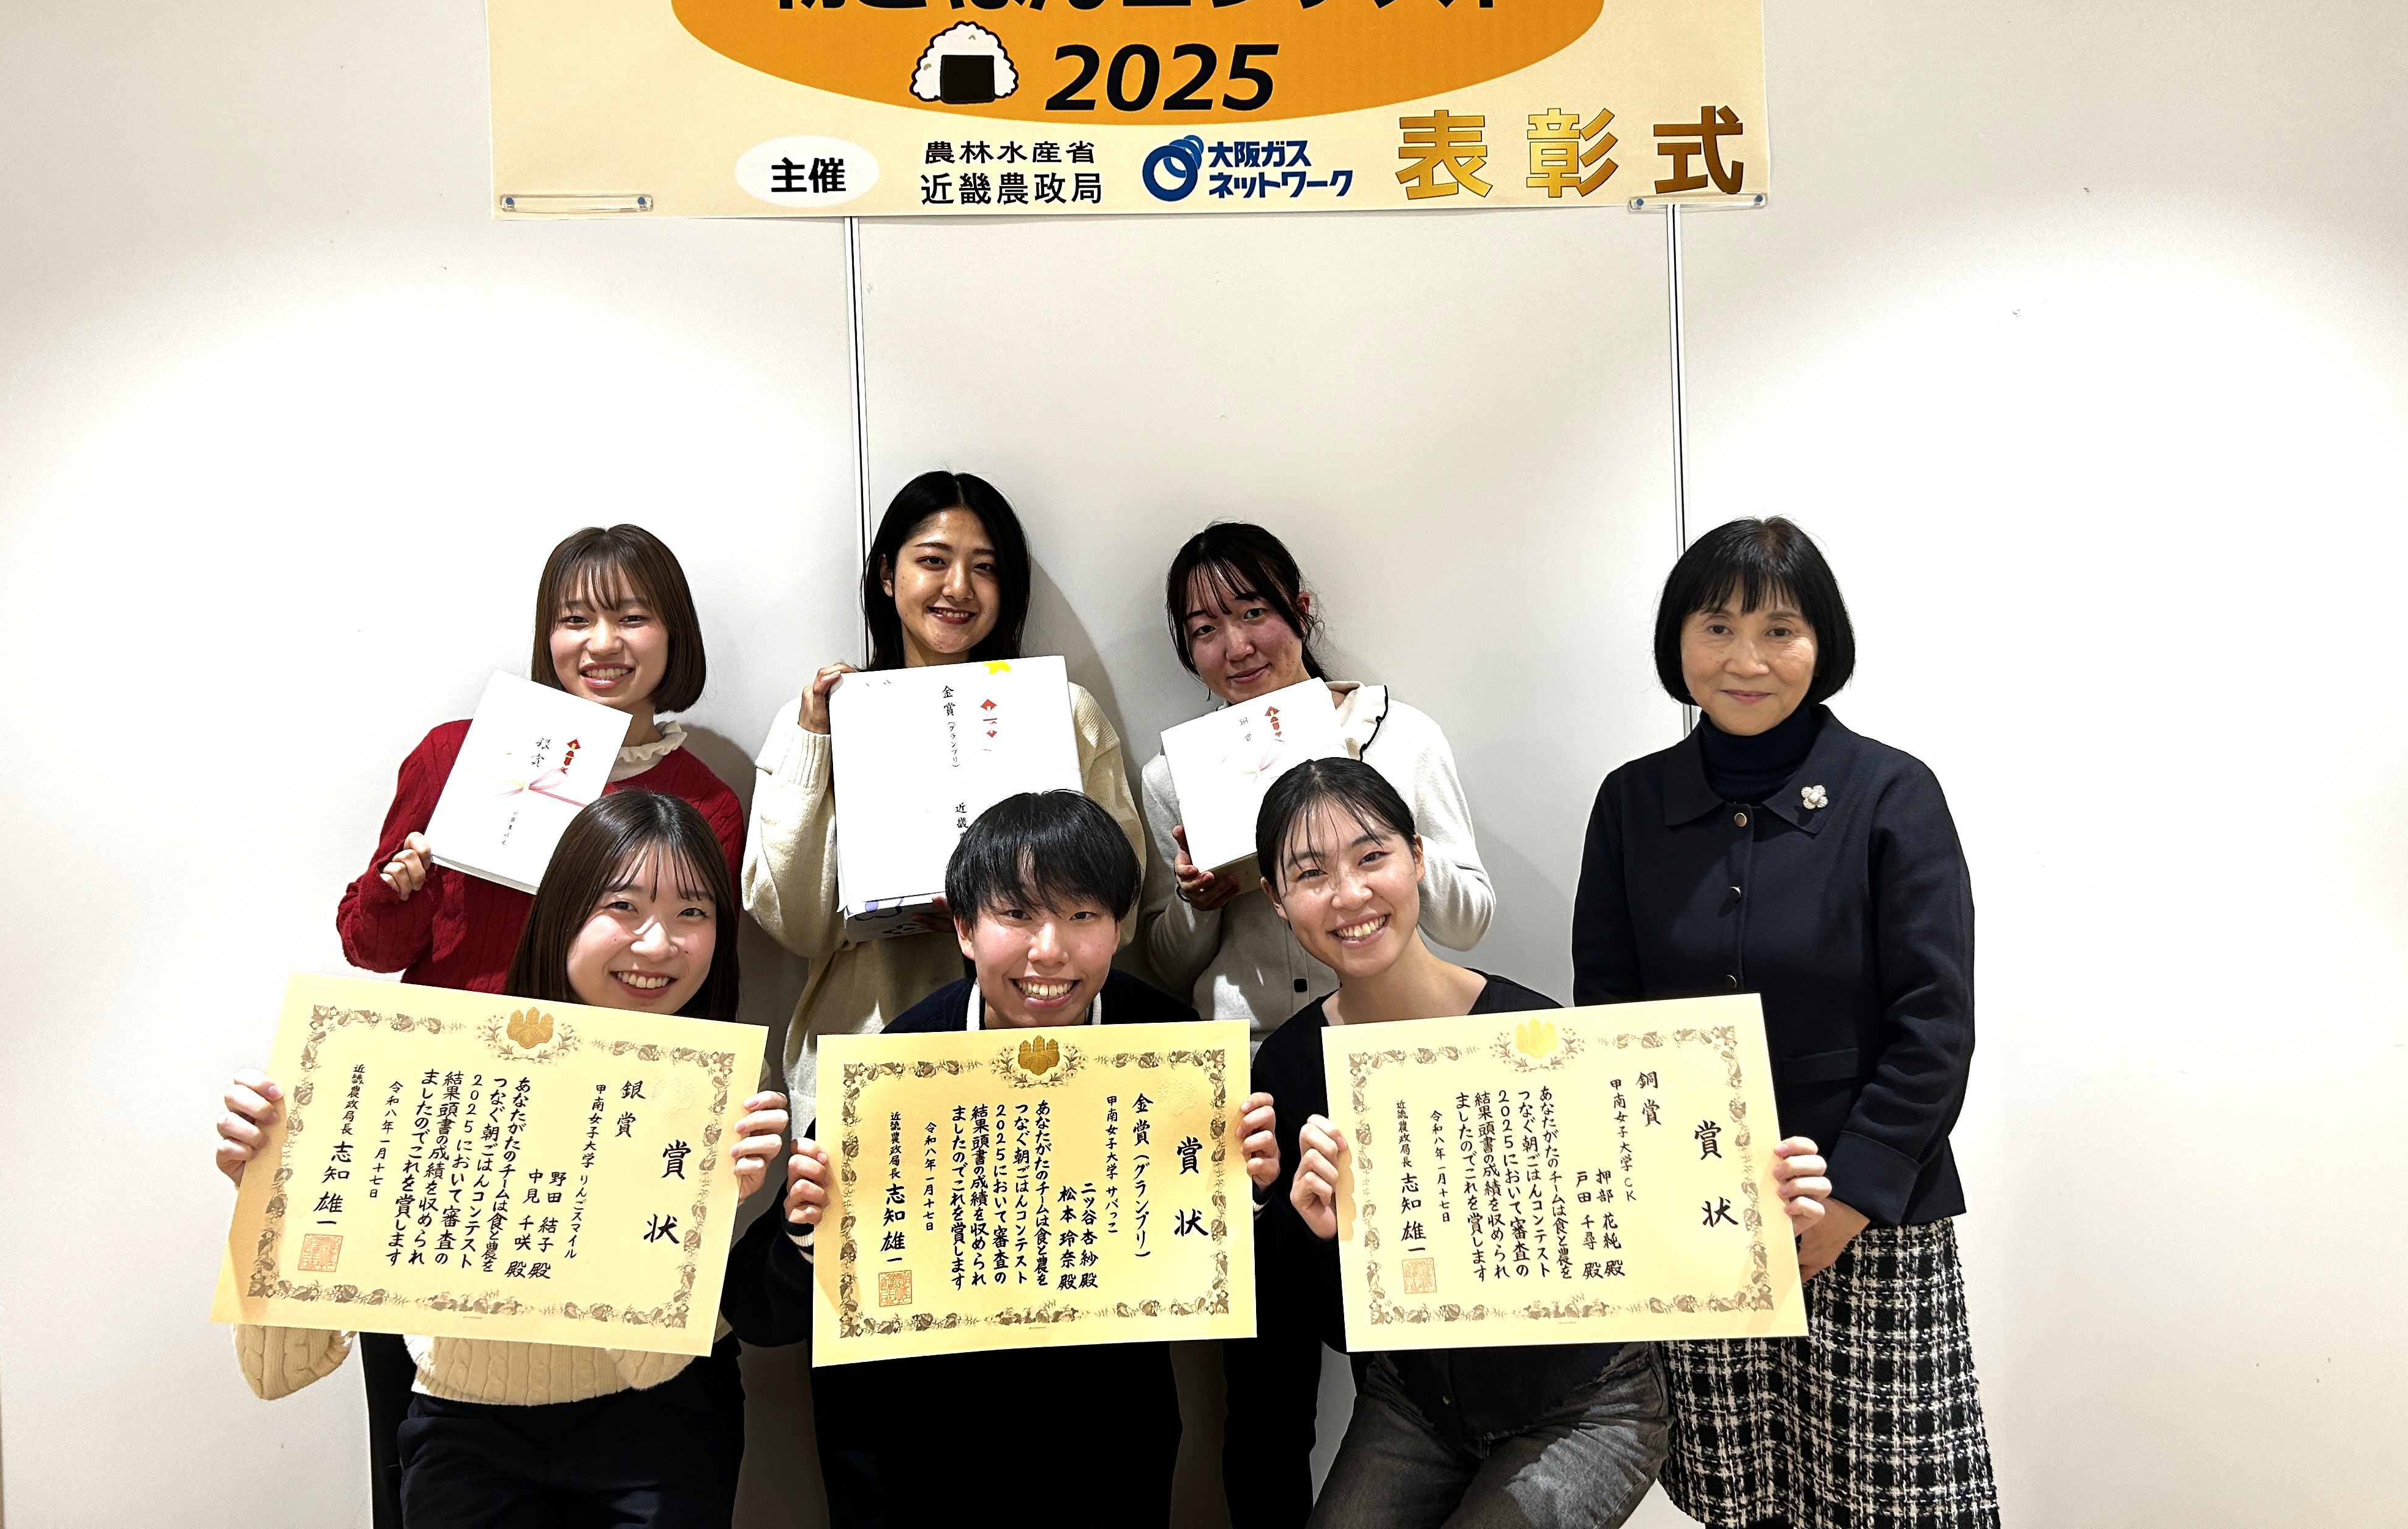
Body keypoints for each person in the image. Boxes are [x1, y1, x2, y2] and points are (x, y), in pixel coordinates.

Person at [1258, 758, 1830, 1529]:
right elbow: (1335, 1329)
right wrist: (1319, 1235)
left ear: (1418, 858)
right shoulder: (1292, 1066)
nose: (1350, 894)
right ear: (1277, 899)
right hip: (1415, 1404)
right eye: (1311, 874)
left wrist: (1763, 1198)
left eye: (1372, 856)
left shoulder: (1533, 1035)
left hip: (1586, 1402)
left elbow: (1650, 1212)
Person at [1571, 517, 2000, 1528]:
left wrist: (1850, 1197)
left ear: (1823, 642)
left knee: (1893, 1498)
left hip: (1870, 1216)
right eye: (1717, 626)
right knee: (1741, 1497)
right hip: (1703, 1215)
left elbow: (1935, 1021)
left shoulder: (1891, 793)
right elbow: (1611, 1013)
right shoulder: (1630, 803)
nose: (1747, 658)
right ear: (1679, 642)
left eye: (1779, 629)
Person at [742, 472, 1148, 1522]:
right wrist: (814, 737)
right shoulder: (833, 715)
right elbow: (788, 915)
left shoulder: (1059, 709)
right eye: (932, 559)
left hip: (1051, 1089)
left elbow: (1123, 889)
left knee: (1062, 1400)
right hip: (878, 1070)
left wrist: (1011, 906)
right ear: (886, 575)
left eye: (984, 565)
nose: (957, 586)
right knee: (884, 1421)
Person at [220, 791, 795, 1527]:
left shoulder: (726, 1087)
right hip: (464, 1426)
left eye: (693, 911)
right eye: (623, 906)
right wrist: (268, 1192)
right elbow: (279, 1370)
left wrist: (688, 1206)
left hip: (663, 1417)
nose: (658, 944)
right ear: (561, 912)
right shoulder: (435, 1060)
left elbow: (651, 1363)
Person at [331, 523, 744, 1522]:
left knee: (615, 1419)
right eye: (574, 618)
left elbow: (696, 991)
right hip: (449, 1133)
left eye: (631, 616)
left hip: (597, 1149)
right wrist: (397, 887)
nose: (601, 642)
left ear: (673, 635)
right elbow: (367, 944)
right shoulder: (457, 755)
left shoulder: (698, 797)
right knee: (427, 1436)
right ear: (544, 634)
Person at [778, 791, 1281, 1527]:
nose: (1050, 950)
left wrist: (1250, 1192)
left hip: (1110, 1432)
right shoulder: (899, 1066)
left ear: (1119, 926)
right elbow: (783, 1298)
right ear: (964, 928)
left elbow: (1214, 1264)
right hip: (926, 1435)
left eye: (1083, 916)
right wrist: (809, 1228)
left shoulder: (1173, 1051)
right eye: (1017, 915)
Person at [1136, 523, 1493, 1525]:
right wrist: (1200, 900)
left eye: (1253, 611)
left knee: (1412, 1348)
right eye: (1204, 628)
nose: (1235, 645)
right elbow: (1166, 963)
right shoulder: (1174, 776)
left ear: (1300, 610)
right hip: (1253, 1082)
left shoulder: (1398, 736)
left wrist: (1358, 829)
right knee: (1262, 1388)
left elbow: (1470, 913)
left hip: (1390, 1070)